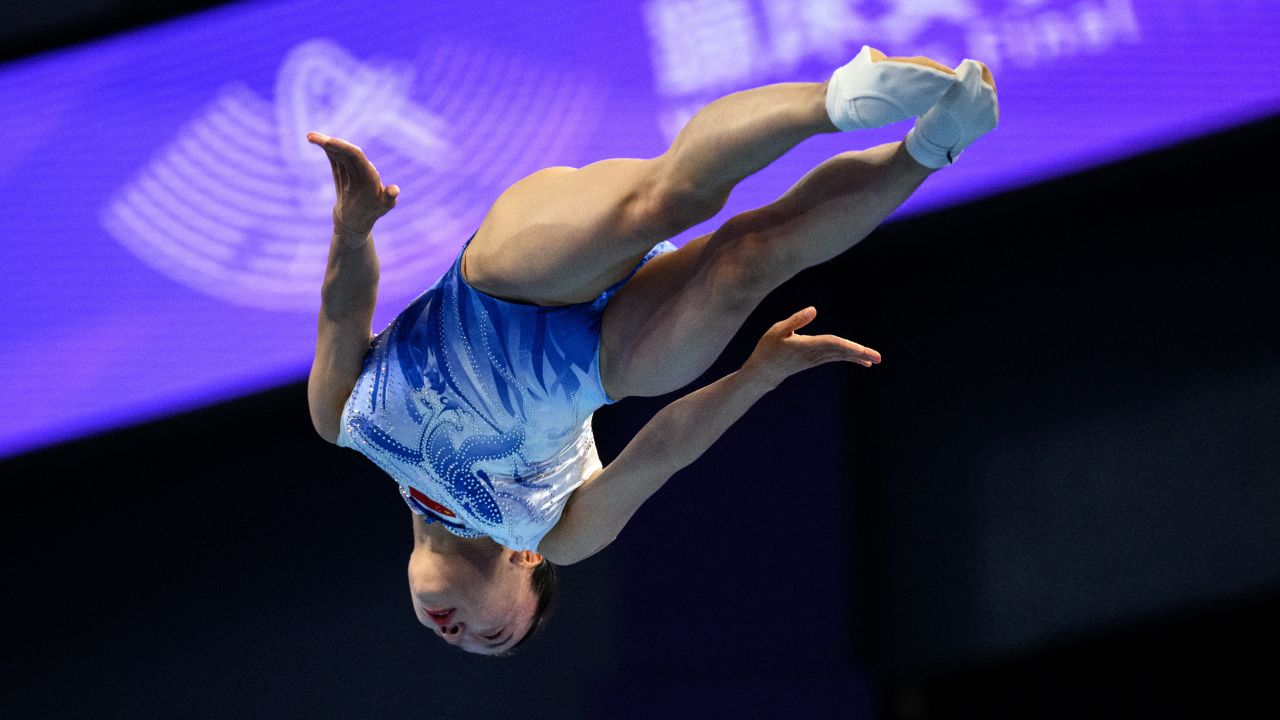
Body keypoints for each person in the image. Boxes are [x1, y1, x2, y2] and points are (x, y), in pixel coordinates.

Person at [306, 46, 998, 656]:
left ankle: (842, 99)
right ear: (525, 566)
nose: (456, 635)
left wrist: (354, 228)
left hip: (502, 286)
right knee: (746, 262)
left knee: (663, 202)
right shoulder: (559, 536)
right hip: (598, 361)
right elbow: (663, 449)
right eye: (497, 635)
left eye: (454, 640)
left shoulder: (343, 420)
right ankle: (934, 144)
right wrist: (756, 376)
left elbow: (342, 309)